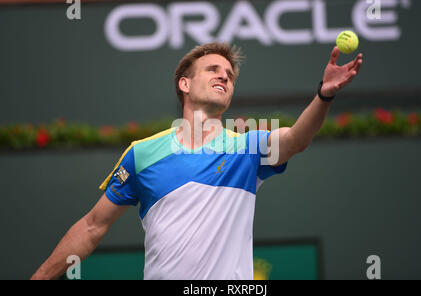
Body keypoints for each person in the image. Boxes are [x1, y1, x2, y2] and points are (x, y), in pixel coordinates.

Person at [31, 42, 362, 280]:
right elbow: (92, 226)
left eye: (230, 75)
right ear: (184, 84)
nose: (224, 77)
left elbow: (295, 140)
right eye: (213, 70)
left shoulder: (247, 146)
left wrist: (325, 95)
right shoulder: (142, 153)